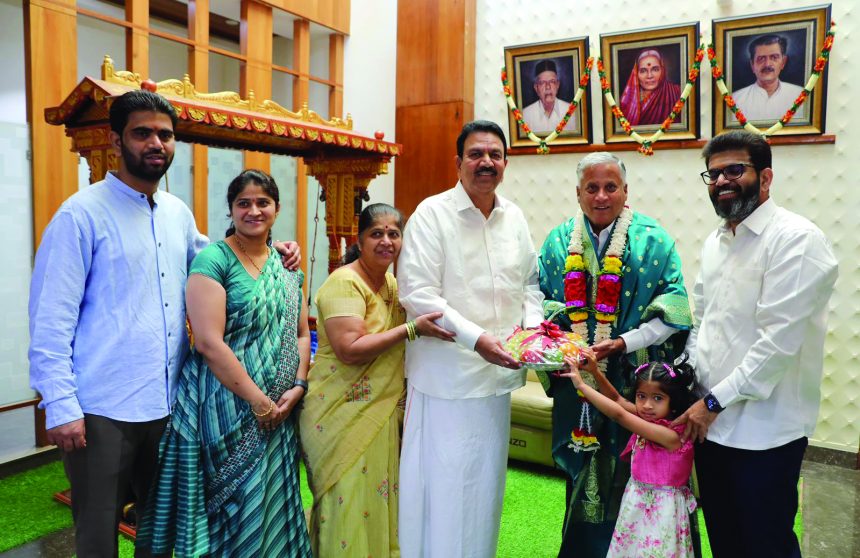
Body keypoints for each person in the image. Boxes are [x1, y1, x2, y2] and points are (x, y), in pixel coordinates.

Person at [28, 89, 300, 557]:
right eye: (143, 133)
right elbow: (50, 316)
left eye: (166, 135)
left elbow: (219, 261)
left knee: (162, 528)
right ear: (115, 141)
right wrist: (60, 403)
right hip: (101, 407)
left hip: (171, 404)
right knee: (98, 532)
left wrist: (271, 247)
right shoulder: (81, 215)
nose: (156, 143)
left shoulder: (175, 213)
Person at [674, 130, 838, 557]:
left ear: (765, 178)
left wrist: (711, 404)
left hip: (765, 432)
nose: (722, 180)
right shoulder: (717, 240)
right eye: (713, 174)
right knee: (725, 539)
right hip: (710, 425)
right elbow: (704, 318)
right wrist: (687, 376)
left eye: (735, 170)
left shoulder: (797, 241)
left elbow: (776, 346)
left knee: (765, 543)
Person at [135, 170, 311, 556]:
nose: (253, 210)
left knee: (270, 502)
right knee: (232, 505)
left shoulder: (287, 266)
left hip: (281, 409)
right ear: (231, 210)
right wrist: (258, 402)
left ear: (277, 208)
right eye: (243, 203)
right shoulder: (214, 260)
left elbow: (301, 333)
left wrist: (297, 387)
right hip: (226, 407)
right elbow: (209, 343)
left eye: (262, 202)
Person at [396, 119, 544, 557]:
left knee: (483, 496)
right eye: (476, 154)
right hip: (448, 381)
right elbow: (417, 293)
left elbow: (532, 284)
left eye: (494, 155)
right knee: (444, 494)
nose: (486, 162)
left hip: (497, 384)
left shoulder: (513, 217)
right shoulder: (432, 213)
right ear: (458, 162)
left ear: (505, 163)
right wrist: (477, 339)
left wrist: (532, 333)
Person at [538, 151, 692, 558]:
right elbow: (543, 306)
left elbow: (675, 311)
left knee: (632, 474)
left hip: (635, 386)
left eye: (611, 187)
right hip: (578, 384)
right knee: (582, 468)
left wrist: (623, 342)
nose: (601, 196)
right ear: (578, 192)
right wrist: (563, 339)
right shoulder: (557, 242)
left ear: (626, 191)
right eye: (592, 187)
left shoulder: (653, 239)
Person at [299, 203, 454, 557]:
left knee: (377, 495)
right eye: (376, 234)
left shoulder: (391, 284)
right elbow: (349, 349)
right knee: (347, 499)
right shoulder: (344, 282)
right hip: (340, 411)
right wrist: (411, 329)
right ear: (360, 239)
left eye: (394, 234)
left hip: (380, 411)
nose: (386, 241)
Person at [561, 353, 701, 558]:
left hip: (662, 511)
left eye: (658, 398)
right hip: (636, 501)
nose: (647, 406)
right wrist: (595, 371)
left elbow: (619, 414)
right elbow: (617, 399)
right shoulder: (650, 420)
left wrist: (582, 386)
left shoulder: (671, 435)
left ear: (674, 401)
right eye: (641, 396)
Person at [731, 34, 805, 122]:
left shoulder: (800, 96)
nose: (767, 64)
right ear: (752, 65)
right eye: (761, 58)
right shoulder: (735, 100)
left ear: (783, 62)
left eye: (774, 57)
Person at [619, 49, 682, 126]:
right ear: (636, 74)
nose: (649, 76)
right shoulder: (627, 101)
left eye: (655, 69)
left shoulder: (677, 93)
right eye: (643, 71)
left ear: (662, 71)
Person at [522, 59, 574, 134]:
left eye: (552, 81)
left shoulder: (571, 112)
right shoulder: (525, 115)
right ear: (536, 88)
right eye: (542, 82)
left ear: (557, 85)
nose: (548, 87)